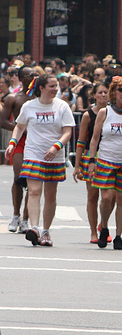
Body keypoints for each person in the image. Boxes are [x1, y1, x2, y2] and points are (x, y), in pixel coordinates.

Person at [5, 73, 75, 246]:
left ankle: (46, 231)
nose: (55, 89)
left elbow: (67, 131)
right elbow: (19, 127)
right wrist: (12, 143)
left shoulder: (62, 106)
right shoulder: (29, 106)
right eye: (51, 86)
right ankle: (34, 227)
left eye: (56, 86)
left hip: (55, 156)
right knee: (34, 191)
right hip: (33, 153)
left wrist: (56, 146)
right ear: (41, 88)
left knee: (51, 195)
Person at [88, 76, 122, 250]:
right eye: (120, 90)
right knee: (107, 197)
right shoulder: (105, 112)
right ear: (114, 93)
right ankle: (103, 227)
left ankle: (119, 235)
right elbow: (95, 139)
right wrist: (91, 161)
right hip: (106, 159)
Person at [0, 66, 39, 233]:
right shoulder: (13, 98)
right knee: (18, 177)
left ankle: (25, 218)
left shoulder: (40, 99)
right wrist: (18, 128)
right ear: (22, 78)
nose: (34, 77)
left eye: (36, 75)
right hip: (20, 140)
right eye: (31, 75)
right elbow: (2, 121)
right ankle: (15, 215)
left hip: (37, 141)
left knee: (33, 181)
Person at [73, 82, 111, 243]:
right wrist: (77, 165)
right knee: (93, 196)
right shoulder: (89, 115)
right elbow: (81, 141)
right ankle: (93, 231)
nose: (103, 95)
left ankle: (104, 224)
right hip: (91, 155)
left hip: (110, 155)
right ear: (94, 96)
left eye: (106, 92)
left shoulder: (114, 112)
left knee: (110, 195)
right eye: (100, 93)